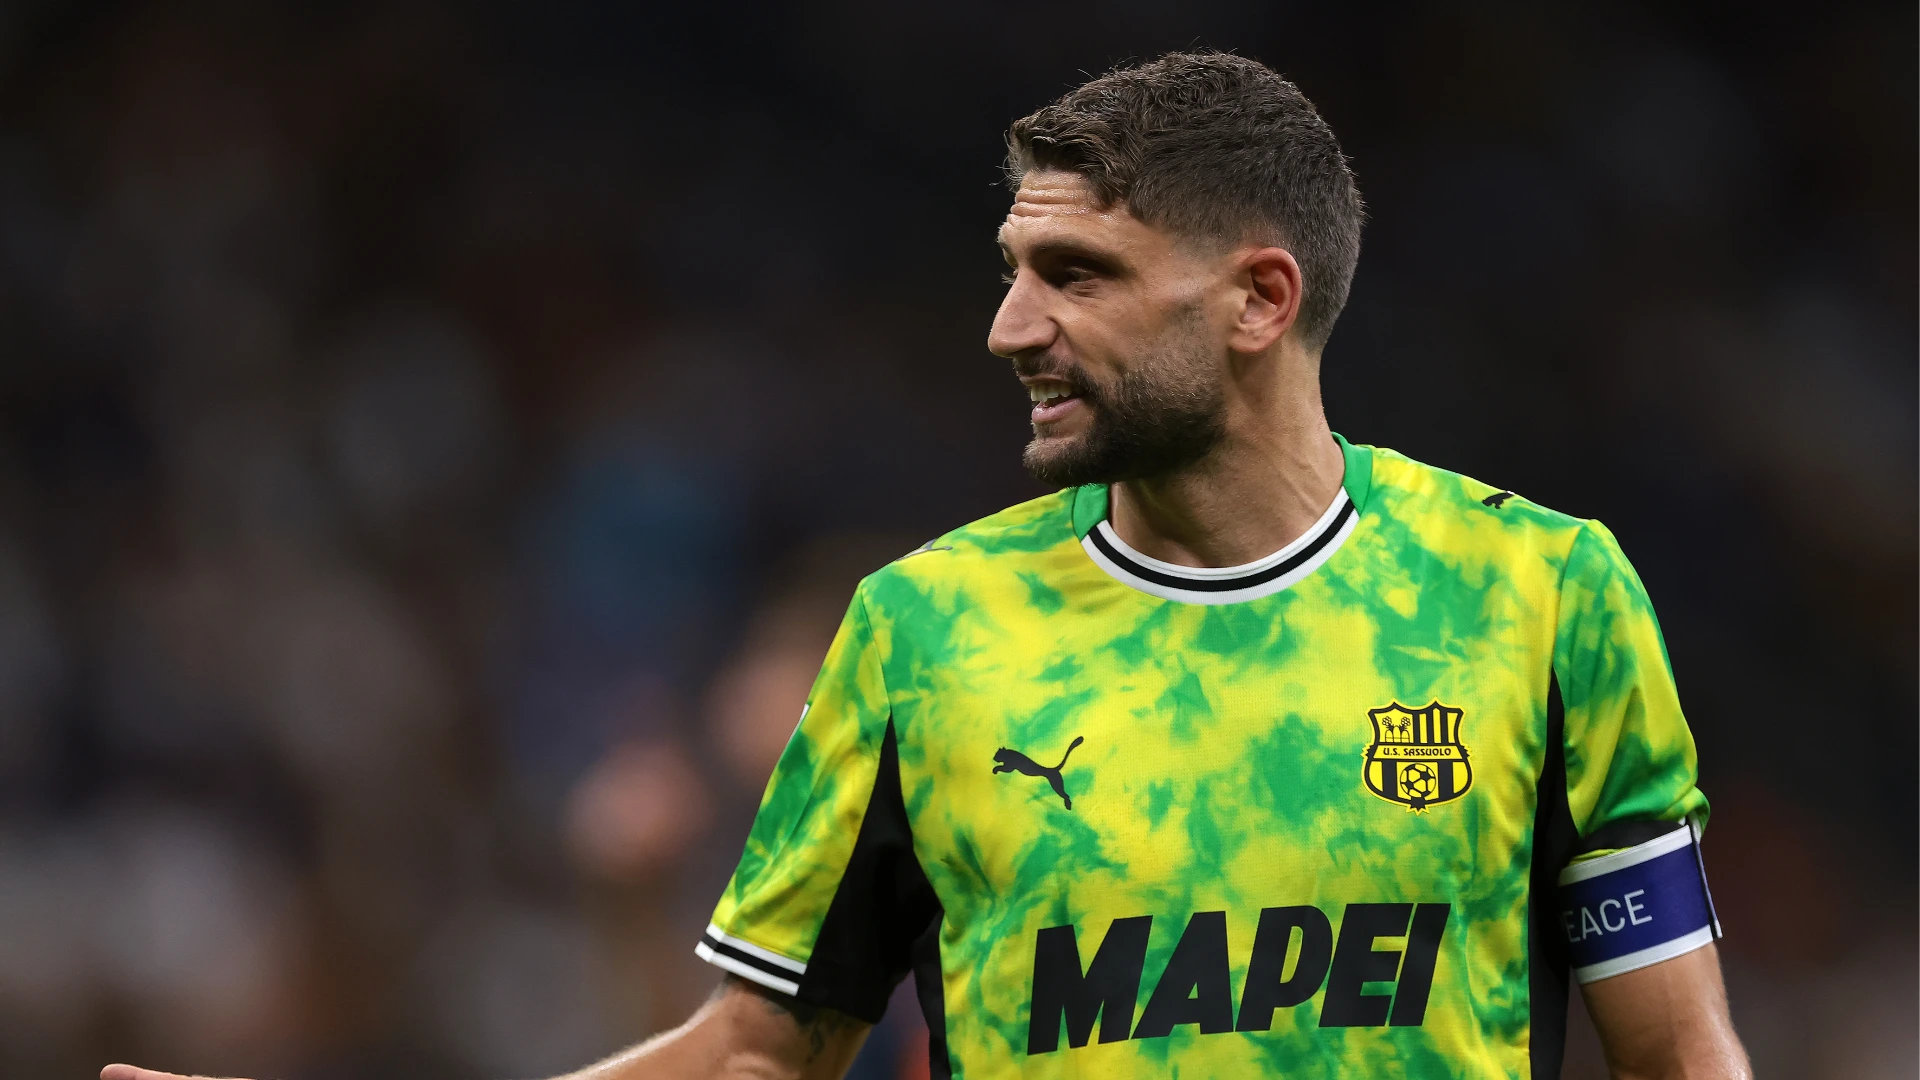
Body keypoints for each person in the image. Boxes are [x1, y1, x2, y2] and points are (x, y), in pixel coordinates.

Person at [104, 50, 1751, 1080]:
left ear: (1259, 299)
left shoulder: (1542, 597)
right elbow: (754, 1056)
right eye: (1012, 268)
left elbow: (1678, 1050)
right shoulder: (925, 632)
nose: (1011, 326)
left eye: (1076, 274)